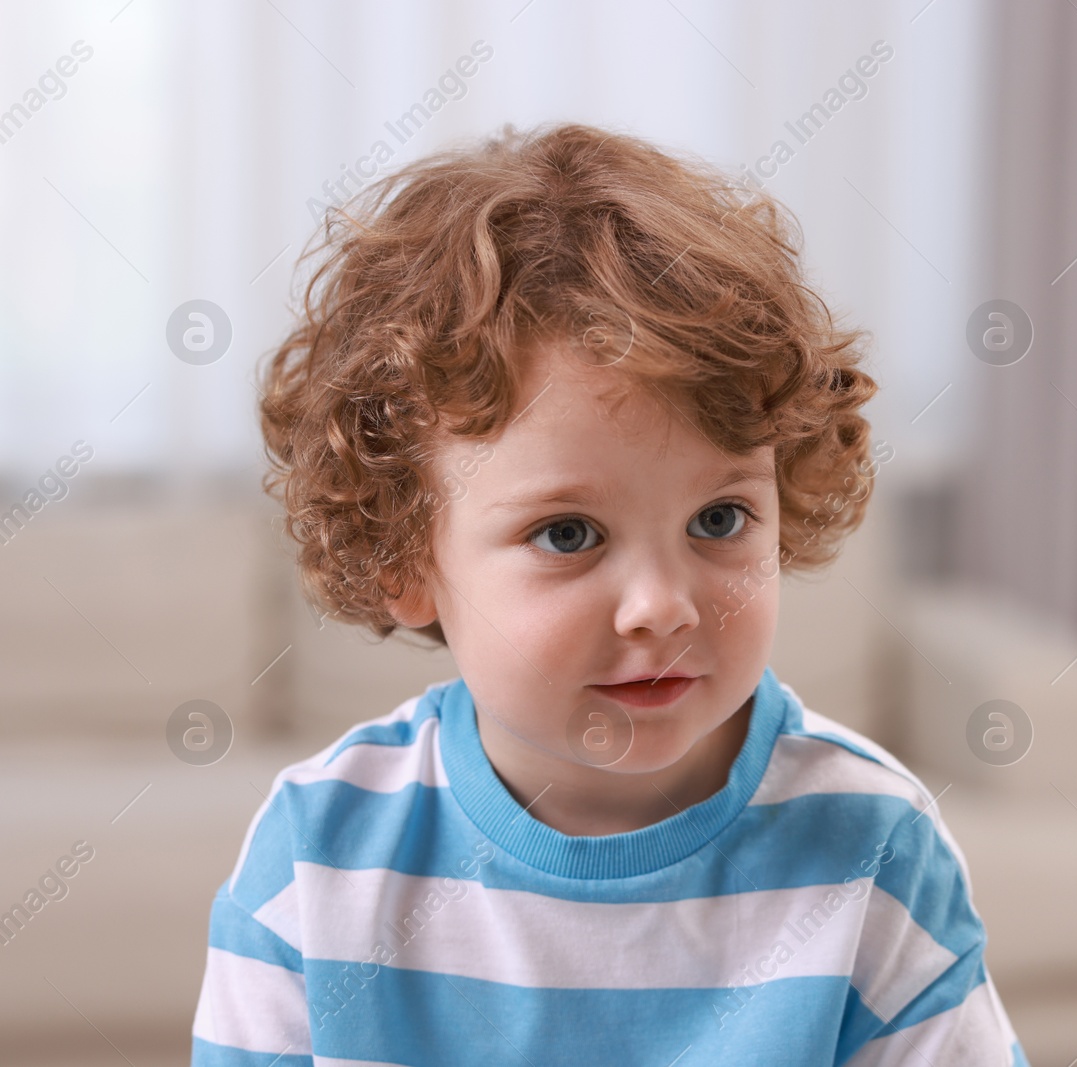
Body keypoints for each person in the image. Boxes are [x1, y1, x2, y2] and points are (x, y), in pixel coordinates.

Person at [191, 121, 1029, 1066]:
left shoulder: (873, 844)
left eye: (718, 520)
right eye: (567, 535)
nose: (662, 607)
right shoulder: (319, 852)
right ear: (404, 559)